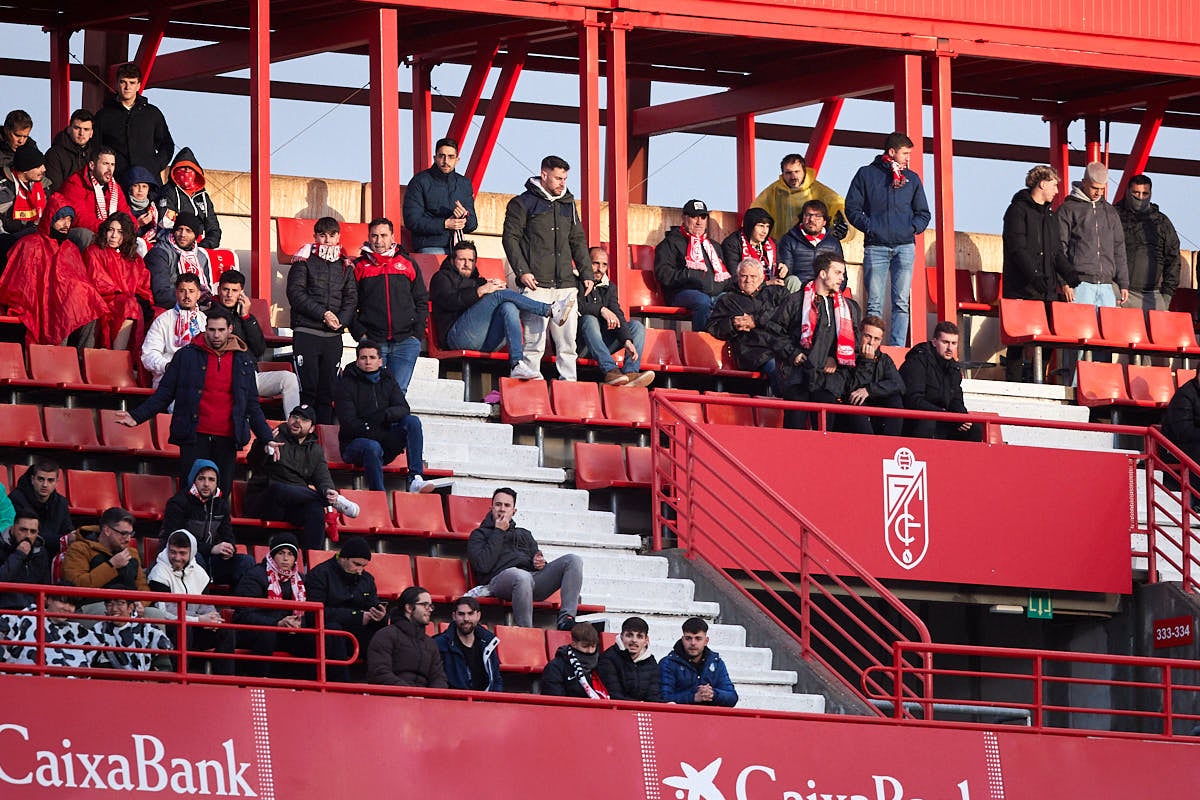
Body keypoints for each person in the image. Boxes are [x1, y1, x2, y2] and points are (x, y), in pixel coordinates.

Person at [117, 306, 276, 494]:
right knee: (190, 493)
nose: (216, 335)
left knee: (221, 495)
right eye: (211, 330)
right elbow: (165, 393)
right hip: (194, 436)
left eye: (221, 330)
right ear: (205, 329)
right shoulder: (185, 356)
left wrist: (267, 437)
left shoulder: (244, 361)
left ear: (230, 329)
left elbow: (252, 405)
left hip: (227, 439)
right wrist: (137, 416)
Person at [502, 154, 594, 382]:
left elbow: (578, 240)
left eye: (564, 178)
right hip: (536, 285)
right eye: (558, 178)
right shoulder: (521, 203)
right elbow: (510, 238)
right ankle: (529, 386)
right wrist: (522, 271)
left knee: (567, 343)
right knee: (534, 342)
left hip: (566, 285)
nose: (563, 183)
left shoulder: (569, 204)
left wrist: (587, 273)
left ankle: (568, 386)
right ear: (544, 175)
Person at [428, 238, 566, 381]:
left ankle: (516, 364)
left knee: (508, 306)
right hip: (456, 338)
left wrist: (498, 287)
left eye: (470, 260)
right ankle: (548, 310)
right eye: (462, 259)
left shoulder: (479, 281)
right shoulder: (441, 278)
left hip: (485, 341)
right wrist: (480, 291)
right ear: (452, 260)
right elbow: (450, 302)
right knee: (499, 295)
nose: (466, 264)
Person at [845, 132, 931, 347]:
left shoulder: (912, 179)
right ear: (892, 152)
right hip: (876, 247)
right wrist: (870, 228)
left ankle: (897, 348)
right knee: (874, 304)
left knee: (901, 302)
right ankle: (872, 348)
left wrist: (911, 228)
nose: (908, 158)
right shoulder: (866, 174)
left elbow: (923, 213)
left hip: (905, 246)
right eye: (905, 153)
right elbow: (852, 208)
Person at [1001, 165, 1079, 382]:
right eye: (1054, 185)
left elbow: (1055, 252)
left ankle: (1036, 378)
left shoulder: (1050, 215)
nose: (1056, 191)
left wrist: (1070, 274)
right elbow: (1017, 249)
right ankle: (1014, 383)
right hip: (1021, 287)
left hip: (1045, 290)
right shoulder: (1017, 211)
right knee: (1017, 341)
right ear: (1042, 184)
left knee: (1048, 338)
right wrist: (1034, 276)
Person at [335, 340, 445, 494]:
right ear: (357, 361)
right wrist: (376, 424)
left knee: (412, 422)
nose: (368, 362)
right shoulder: (346, 384)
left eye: (372, 358)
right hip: (354, 446)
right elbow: (349, 423)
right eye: (363, 358)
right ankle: (378, 495)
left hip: (383, 441)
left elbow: (404, 409)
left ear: (380, 361)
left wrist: (384, 416)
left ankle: (415, 478)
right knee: (372, 446)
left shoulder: (388, 380)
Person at [244, 404, 358, 550]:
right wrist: (262, 445)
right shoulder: (275, 435)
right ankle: (328, 501)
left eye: (304, 419)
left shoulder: (315, 450)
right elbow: (253, 462)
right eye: (294, 416)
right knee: (279, 488)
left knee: (315, 509)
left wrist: (328, 491)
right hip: (266, 501)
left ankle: (310, 560)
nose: (297, 421)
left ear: (311, 428)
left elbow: (322, 478)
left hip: (294, 504)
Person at [466, 487, 583, 629]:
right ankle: (526, 630)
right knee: (521, 576)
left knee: (573, 560)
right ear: (491, 508)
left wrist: (539, 563)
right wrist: (498, 532)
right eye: (498, 504)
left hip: (530, 581)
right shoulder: (479, 535)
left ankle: (566, 619)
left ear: (513, 511)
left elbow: (536, 561)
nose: (502, 509)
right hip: (499, 581)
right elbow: (482, 565)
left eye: (507, 505)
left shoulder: (524, 534)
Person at [771, 253, 862, 429]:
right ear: (822, 273)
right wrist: (793, 353)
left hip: (829, 382)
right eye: (837, 273)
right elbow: (774, 332)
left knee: (825, 437)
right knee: (794, 435)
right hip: (798, 378)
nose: (841, 279)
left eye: (842, 274)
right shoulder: (795, 301)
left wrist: (835, 359)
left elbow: (855, 342)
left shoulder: (850, 308)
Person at [0, 195, 104, 345]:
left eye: (69, 220)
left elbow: (80, 280)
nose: (66, 224)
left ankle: (84, 358)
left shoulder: (71, 248)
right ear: (51, 218)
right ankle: (57, 355)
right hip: (36, 302)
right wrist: (56, 294)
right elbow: (20, 284)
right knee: (68, 304)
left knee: (92, 306)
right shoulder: (30, 244)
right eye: (62, 219)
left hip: (67, 300)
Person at [286, 216, 357, 423]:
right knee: (308, 391)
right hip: (306, 332)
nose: (327, 240)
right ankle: (305, 441)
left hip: (333, 337)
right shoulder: (304, 259)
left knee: (328, 392)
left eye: (331, 235)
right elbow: (295, 293)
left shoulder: (346, 264)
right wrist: (323, 314)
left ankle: (323, 445)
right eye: (322, 235)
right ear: (315, 236)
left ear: (338, 237)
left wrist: (341, 321)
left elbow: (352, 298)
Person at [349, 217, 426, 392]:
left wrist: (417, 334)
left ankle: (391, 421)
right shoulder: (359, 266)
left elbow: (421, 300)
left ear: (392, 237)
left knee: (398, 392)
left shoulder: (408, 263)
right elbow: (349, 303)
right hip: (373, 341)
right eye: (374, 236)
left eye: (384, 235)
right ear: (369, 237)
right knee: (371, 391)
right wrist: (360, 334)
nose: (379, 241)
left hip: (406, 340)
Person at [147, 529, 234, 675]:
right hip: (169, 629)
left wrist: (212, 619)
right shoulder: (158, 573)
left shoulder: (200, 572)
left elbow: (206, 604)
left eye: (182, 553)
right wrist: (199, 619)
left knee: (225, 630)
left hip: (195, 627)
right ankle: (180, 679)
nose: (177, 557)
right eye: (173, 552)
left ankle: (226, 681)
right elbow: (165, 612)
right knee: (183, 628)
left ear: (191, 553)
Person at [215, 268, 301, 413]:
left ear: (241, 293)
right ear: (219, 290)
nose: (229, 294)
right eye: (226, 289)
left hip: (251, 375)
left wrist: (246, 317)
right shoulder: (209, 316)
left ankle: (292, 428)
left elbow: (259, 349)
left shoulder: (247, 318)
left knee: (289, 378)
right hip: (226, 376)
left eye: (234, 290)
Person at [305, 537, 388, 682]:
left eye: (363, 566)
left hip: (356, 631)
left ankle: (380, 684)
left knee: (385, 634)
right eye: (356, 564)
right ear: (343, 558)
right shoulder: (320, 574)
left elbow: (373, 603)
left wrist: (380, 615)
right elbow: (314, 614)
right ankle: (343, 684)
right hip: (327, 634)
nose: (360, 571)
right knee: (334, 630)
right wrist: (356, 616)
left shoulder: (366, 579)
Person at [159, 459, 253, 587]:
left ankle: (241, 605)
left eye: (211, 479)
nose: (206, 484)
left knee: (246, 561)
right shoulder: (178, 503)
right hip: (185, 559)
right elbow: (177, 540)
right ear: (194, 480)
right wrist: (211, 549)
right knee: (196, 557)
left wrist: (229, 548)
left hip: (213, 560)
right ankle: (201, 605)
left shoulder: (221, 504)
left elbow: (227, 533)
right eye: (201, 479)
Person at [232, 533, 313, 679]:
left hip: (288, 632)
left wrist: (300, 624)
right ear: (273, 555)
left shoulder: (301, 579)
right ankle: (258, 680)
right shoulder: (255, 575)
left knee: (315, 639)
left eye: (290, 554)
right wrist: (277, 623)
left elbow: (310, 612)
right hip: (256, 631)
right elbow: (244, 614)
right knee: (267, 634)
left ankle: (306, 687)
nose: (286, 558)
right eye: (281, 553)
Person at [577, 245, 655, 387]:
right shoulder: (574, 281)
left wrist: (626, 340)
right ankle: (610, 370)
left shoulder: (609, 287)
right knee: (589, 319)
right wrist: (601, 309)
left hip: (601, 343)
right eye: (595, 263)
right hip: (579, 345)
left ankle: (630, 373)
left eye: (604, 265)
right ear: (586, 262)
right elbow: (575, 306)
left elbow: (617, 313)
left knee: (636, 326)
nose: (600, 269)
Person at [706, 258, 789, 387]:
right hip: (753, 352)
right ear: (737, 277)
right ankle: (783, 406)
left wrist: (756, 320)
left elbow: (788, 313)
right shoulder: (727, 300)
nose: (748, 280)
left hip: (783, 346)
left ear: (762, 278)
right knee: (778, 369)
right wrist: (732, 324)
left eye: (753, 276)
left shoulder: (777, 292)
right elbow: (713, 327)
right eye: (744, 276)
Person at [1059, 161, 1129, 312]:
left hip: (1106, 286)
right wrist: (1065, 282)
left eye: (1102, 189)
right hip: (1079, 284)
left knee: (1107, 333)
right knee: (1080, 330)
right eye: (1094, 188)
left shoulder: (1110, 212)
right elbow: (1060, 247)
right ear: (1084, 182)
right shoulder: (1068, 209)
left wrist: (1123, 283)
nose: (1098, 193)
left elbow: (1119, 249)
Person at [653, 199, 732, 330]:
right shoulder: (670, 243)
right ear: (684, 218)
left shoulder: (714, 246)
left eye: (703, 217)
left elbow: (725, 276)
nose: (699, 221)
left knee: (734, 301)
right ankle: (700, 342)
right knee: (702, 302)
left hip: (714, 293)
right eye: (694, 216)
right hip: (681, 293)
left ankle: (727, 345)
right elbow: (663, 274)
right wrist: (688, 275)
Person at [899, 321, 983, 441]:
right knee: (928, 423)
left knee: (974, 429)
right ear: (934, 342)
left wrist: (961, 417)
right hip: (914, 421)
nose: (949, 348)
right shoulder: (917, 361)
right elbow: (913, 400)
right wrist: (943, 414)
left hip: (941, 419)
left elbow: (956, 401)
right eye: (945, 342)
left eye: (953, 343)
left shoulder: (954, 369)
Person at [84, 211, 154, 351]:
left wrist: (142, 300)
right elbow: (98, 281)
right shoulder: (94, 251)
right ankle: (118, 355)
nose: (114, 235)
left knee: (150, 311)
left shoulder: (133, 258)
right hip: (103, 300)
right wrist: (125, 297)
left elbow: (143, 284)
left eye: (120, 232)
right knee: (128, 306)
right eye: (111, 230)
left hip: (127, 301)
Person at [92, 62, 175, 178]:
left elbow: (167, 145)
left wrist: (155, 166)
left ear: (138, 85)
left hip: (148, 182)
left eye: (132, 83)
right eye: (123, 82)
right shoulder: (103, 115)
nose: (127, 87)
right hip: (115, 181)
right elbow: (94, 148)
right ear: (117, 84)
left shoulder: (152, 114)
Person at [1115, 174, 1180, 312]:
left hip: (1152, 296)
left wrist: (1166, 296)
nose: (1140, 197)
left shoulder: (1161, 222)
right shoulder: (1114, 216)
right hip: (1119, 292)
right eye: (1136, 193)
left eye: (1145, 194)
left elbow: (1173, 259)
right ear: (1127, 192)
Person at [752, 152, 850, 244]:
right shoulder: (773, 191)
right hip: (781, 247)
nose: (793, 176)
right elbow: (755, 212)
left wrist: (843, 226)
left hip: (811, 247)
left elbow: (840, 205)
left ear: (804, 171)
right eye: (788, 173)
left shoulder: (819, 190)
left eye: (797, 172)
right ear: (783, 174)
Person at [403, 137, 478, 255]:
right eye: (441, 156)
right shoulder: (419, 181)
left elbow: (473, 224)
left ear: (457, 160)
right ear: (435, 158)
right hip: (430, 246)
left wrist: (465, 217)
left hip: (458, 248)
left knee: (468, 262)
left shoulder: (464, 184)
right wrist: (445, 224)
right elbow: (412, 220)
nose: (446, 161)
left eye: (451, 157)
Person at [366, 585, 448, 688]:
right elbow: (379, 673)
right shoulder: (385, 635)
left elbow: (439, 678)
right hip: (393, 699)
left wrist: (429, 698)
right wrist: (409, 693)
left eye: (431, 606)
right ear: (409, 608)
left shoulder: (430, 643)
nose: (430, 610)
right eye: (425, 605)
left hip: (424, 700)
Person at [55, 147, 132, 252]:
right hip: (81, 233)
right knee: (86, 236)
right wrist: (108, 229)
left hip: (108, 231)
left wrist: (129, 228)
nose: (109, 169)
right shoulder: (75, 183)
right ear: (92, 165)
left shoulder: (114, 187)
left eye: (112, 165)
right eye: (105, 164)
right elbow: (78, 217)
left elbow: (125, 212)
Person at [0, 593, 101, 670]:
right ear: (48, 600)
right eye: (63, 602)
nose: (67, 608)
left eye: (72, 604)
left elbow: (104, 645)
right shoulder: (23, 618)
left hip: (71, 689)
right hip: (25, 683)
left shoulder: (76, 630)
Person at [61, 507, 149, 592]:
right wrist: (111, 565)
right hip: (95, 603)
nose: (128, 539)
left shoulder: (132, 553)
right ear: (107, 530)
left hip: (130, 605)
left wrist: (141, 603)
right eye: (123, 533)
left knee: (153, 608)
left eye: (131, 534)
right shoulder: (80, 549)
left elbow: (143, 587)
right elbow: (76, 586)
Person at [140, 273, 206, 387]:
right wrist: (168, 366)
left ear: (198, 294)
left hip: (200, 377)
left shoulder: (205, 320)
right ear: (176, 293)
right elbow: (149, 355)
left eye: (191, 291)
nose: (187, 296)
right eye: (182, 291)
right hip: (169, 378)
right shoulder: (163, 320)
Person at [845, 315, 906, 436]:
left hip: (876, 406)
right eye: (867, 336)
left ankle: (892, 446)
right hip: (852, 410)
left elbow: (899, 385)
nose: (871, 342)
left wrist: (870, 390)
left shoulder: (884, 359)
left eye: (876, 339)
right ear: (860, 334)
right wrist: (866, 362)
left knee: (895, 400)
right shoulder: (848, 355)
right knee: (856, 401)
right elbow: (851, 388)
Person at [659, 617, 738, 707]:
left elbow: (732, 697)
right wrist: (693, 697)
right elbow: (663, 699)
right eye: (688, 638)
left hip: (709, 718)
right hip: (679, 718)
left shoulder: (717, 663)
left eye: (698, 638)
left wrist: (713, 694)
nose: (693, 643)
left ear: (706, 641)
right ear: (682, 639)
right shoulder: (668, 663)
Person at [145, 212, 214, 309]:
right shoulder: (160, 253)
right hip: (169, 308)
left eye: (188, 231)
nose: (183, 234)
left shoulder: (201, 257)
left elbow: (206, 290)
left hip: (196, 306)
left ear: (195, 235)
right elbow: (161, 294)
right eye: (179, 229)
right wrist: (190, 303)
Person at [156, 147, 221, 248]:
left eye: (190, 168)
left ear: (196, 172)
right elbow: (165, 221)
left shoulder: (203, 197)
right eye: (183, 168)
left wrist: (205, 245)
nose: (186, 171)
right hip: (172, 245)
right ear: (174, 170)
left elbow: (213, 228)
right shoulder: (167, 191)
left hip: (200, 246)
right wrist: (185, 241)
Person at [434, 595, 502, 692]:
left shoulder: (488, 643)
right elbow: (437, 680)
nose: (466, 618)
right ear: (454, 616)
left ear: (478, 616)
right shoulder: (440, 644)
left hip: (484, 703)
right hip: (454, 702)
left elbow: (496, 679)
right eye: (461, 614)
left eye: (470, 613)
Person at [7, 458, 74, 557]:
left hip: (54, 555)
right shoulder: (16, 499)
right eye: (41, 479)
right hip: (25, 555)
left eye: (50, 480)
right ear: (33, 479)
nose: (45, 485)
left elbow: (68, 532)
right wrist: (61, 540)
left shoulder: (61, 503)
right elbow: (26, 536)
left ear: (56, 482)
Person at [778, 199, 846, 290]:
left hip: (824, 289)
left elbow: (842, 274)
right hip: (798, 291)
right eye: (808, 215)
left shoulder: (833, 243)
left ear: (824, 221)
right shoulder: (789, 240)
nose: (811, 220)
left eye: (817, 216)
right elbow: (786, 272)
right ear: (802, 218)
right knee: (792, 280)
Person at [94, 595, 173, 672]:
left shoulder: (147, 628)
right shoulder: (98, 630)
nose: (114, 609)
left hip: (148, 681)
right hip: (115, 682)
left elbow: (164, 663)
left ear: (130, 607)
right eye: (110, 604)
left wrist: (154, 678)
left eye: (120, 603)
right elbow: (100, 667)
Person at [596, 616, 662, 702]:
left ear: (646, 640)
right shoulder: (607, 659)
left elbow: (653, 696)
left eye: (639, 636)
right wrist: (639, 705)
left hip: (643, 711)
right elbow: (614, 695)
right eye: (629, 635)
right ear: (621, 636)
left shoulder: (651, 662)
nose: (634, 640)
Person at [721, 207, 789, 289]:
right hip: (745, 292)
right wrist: (766, 284)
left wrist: (783, 269)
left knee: (792, 281)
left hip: (773, 288)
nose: (765, 231)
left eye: (767, 226)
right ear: (750, 226)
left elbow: (778, 266)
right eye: (761, 226)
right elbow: (735, 277)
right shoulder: (732, 244)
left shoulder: (772, 243)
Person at [541, 621, 608, 699]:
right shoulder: (556, 667)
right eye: (585, 646)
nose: (590, 651)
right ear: (574, 644)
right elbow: (554, 697)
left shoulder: (604, 664)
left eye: (593, 646)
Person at [0, 143, 47, 251]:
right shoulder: (5, 190)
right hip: (11, 240)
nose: (44, 169)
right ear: (25, 169)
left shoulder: (44, 185)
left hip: (38, 235)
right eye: (38, 166)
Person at [0, 512, 51, 610]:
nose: (28, 535)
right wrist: (19, 555)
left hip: (33, 610)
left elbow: (45, 586)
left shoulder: (41, 552)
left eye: (33, 531)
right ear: (13, 528)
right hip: (5, 609)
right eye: (23, 530)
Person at [43, 109, 97, 191]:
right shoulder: (54, 154)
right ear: (69, 129)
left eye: (86, 129)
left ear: (91, 133)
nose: (81, 133)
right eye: (77, 128)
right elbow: (54, 189)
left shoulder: (96, 155)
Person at [121, 165, 161, 256]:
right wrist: (137, 224)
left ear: (148, 189)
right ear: (130, 188)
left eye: (144, 186)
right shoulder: (123, 207)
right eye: (136, 186)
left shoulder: (155, 209)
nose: (140, 190)